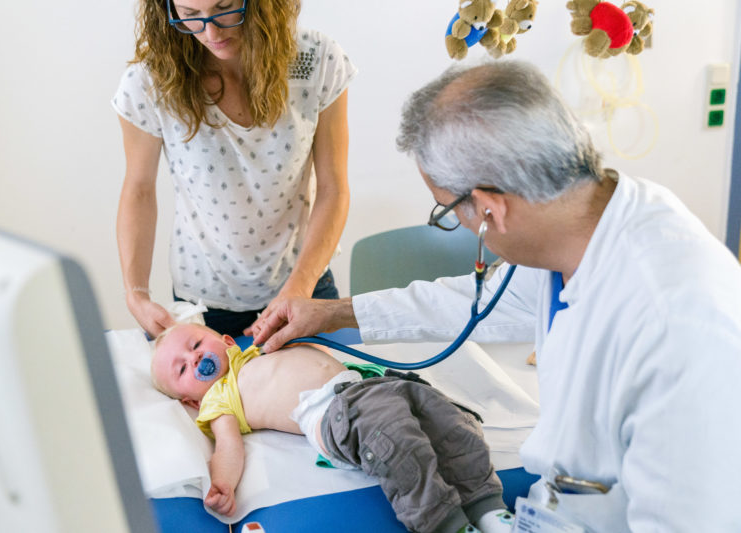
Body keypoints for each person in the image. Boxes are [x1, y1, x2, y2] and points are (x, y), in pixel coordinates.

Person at [249, 61, 741, 531]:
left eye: (448, 210)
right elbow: (471, 301)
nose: (455, 221)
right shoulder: (583, 228)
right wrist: (333, 313)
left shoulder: (676, 324)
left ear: (488, 211)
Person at [113, 0, 356, 338]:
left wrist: (299, 287)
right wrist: (135, 293)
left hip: (304, 283)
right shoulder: (149, 83)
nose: (211, 32)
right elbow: (139, 189)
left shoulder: (317, 60)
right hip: (203, 300)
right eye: (190, 15)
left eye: (224, 6)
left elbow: (334, 188)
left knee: (320, 388)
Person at [151, 322, 515, 533]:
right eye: (182, 369)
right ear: (191, 403)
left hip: (372, 386)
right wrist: (222, 483)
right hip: (337, 413)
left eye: (196, 344)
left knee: (451, 423)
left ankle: (488, 507)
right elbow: (229, 446)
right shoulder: (218, 399)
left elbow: (314, 347)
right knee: (401, 445)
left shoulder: (261, 351)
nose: (194, 357)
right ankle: (446, 524)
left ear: (228, 342)